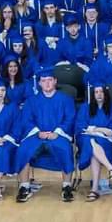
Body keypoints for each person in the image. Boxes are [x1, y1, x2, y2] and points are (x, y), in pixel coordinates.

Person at [14, 69, 76, 203]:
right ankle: (24, 186)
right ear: (39, 84)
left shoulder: (66, 99)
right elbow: (26, 120)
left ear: (55, 81)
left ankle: (67, 186)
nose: (47, 83)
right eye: (43, 81)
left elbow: (69, 118)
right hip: (37, 135)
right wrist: (38, 132)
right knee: (23, 149)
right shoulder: (31, 101)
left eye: (49, 80)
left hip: (58, 135)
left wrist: (57, 132)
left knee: (65, 149)